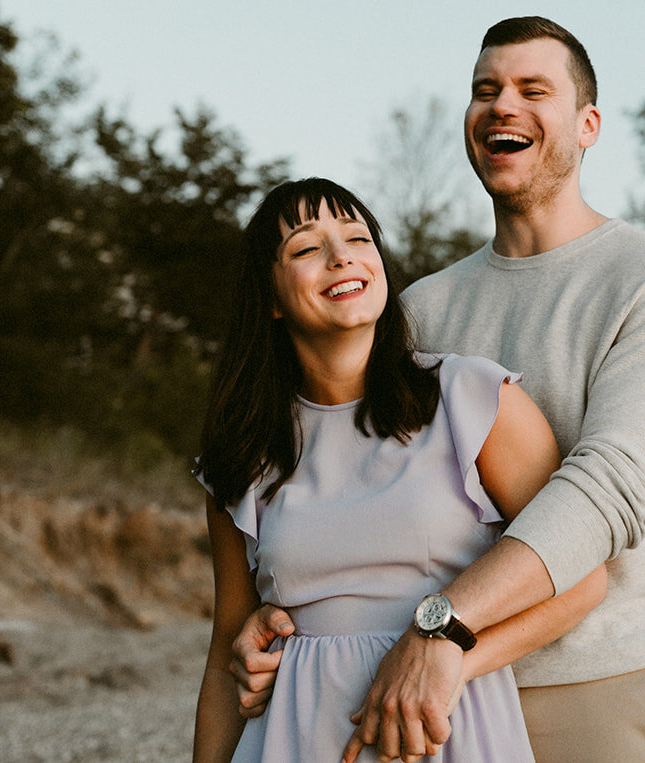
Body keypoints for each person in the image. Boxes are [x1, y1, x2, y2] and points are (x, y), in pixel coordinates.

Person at [232, 18, 645, 763]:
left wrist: (444, 626)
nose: (502, 105)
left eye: (533, 89)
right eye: (485, 90)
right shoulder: (419, 310)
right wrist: (284, 614)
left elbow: (609, 488)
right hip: (431, 707)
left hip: (599, 684)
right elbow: (352, 485)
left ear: (588, 124)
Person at [192, 177, 607, 763]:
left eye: (359, 238)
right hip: (295, 739)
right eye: (307, 248)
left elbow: (584, 577)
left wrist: (451, 657)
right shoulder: (243, 454)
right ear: (270, 298)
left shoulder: (472, 397)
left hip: (446, 731)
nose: (342, 257)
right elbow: (222, 657)